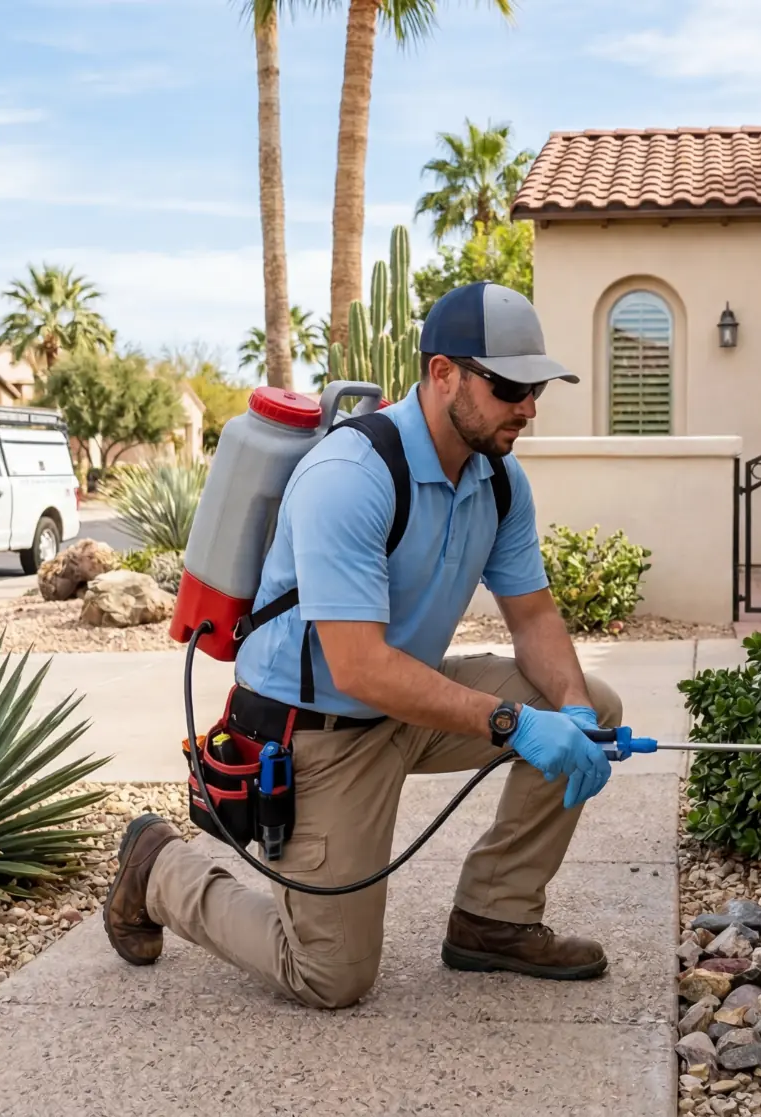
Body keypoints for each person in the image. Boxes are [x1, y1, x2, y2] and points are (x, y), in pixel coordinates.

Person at [101, 282, 626, 1009]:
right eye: (510, 386)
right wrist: (514, 723)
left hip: (400, 702)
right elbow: (357, 665)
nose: (529, 407)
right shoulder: (352, 475)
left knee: (592, 702)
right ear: (443, 373)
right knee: (329, 975)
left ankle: (494, 919)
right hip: (319, 729)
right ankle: (159, 868)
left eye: (535, 386)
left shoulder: (499, 481)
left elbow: (533, 619)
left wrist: (566, 710)